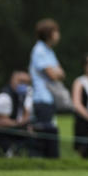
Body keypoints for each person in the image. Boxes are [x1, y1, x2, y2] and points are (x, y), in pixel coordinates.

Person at [28, 18, 64, 158]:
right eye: (56, 31)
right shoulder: (39, 50)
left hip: (49, 98)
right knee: (45, 134)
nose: (58, 34)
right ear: (49, 33)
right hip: (41, 98)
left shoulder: (49, 51)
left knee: (49, 132)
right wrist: (56, 72)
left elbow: (61, 73)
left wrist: (56, 72)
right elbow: (54, 75)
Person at [0, 70, 32, 157]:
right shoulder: (4, 97)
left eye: (27, 82)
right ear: (12, 80)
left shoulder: (22, 96)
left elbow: (26, 116)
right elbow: (0, 122)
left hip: (16, 130)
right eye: (21, 81)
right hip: (4, 134)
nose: (24, 85)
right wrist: (20, 124)